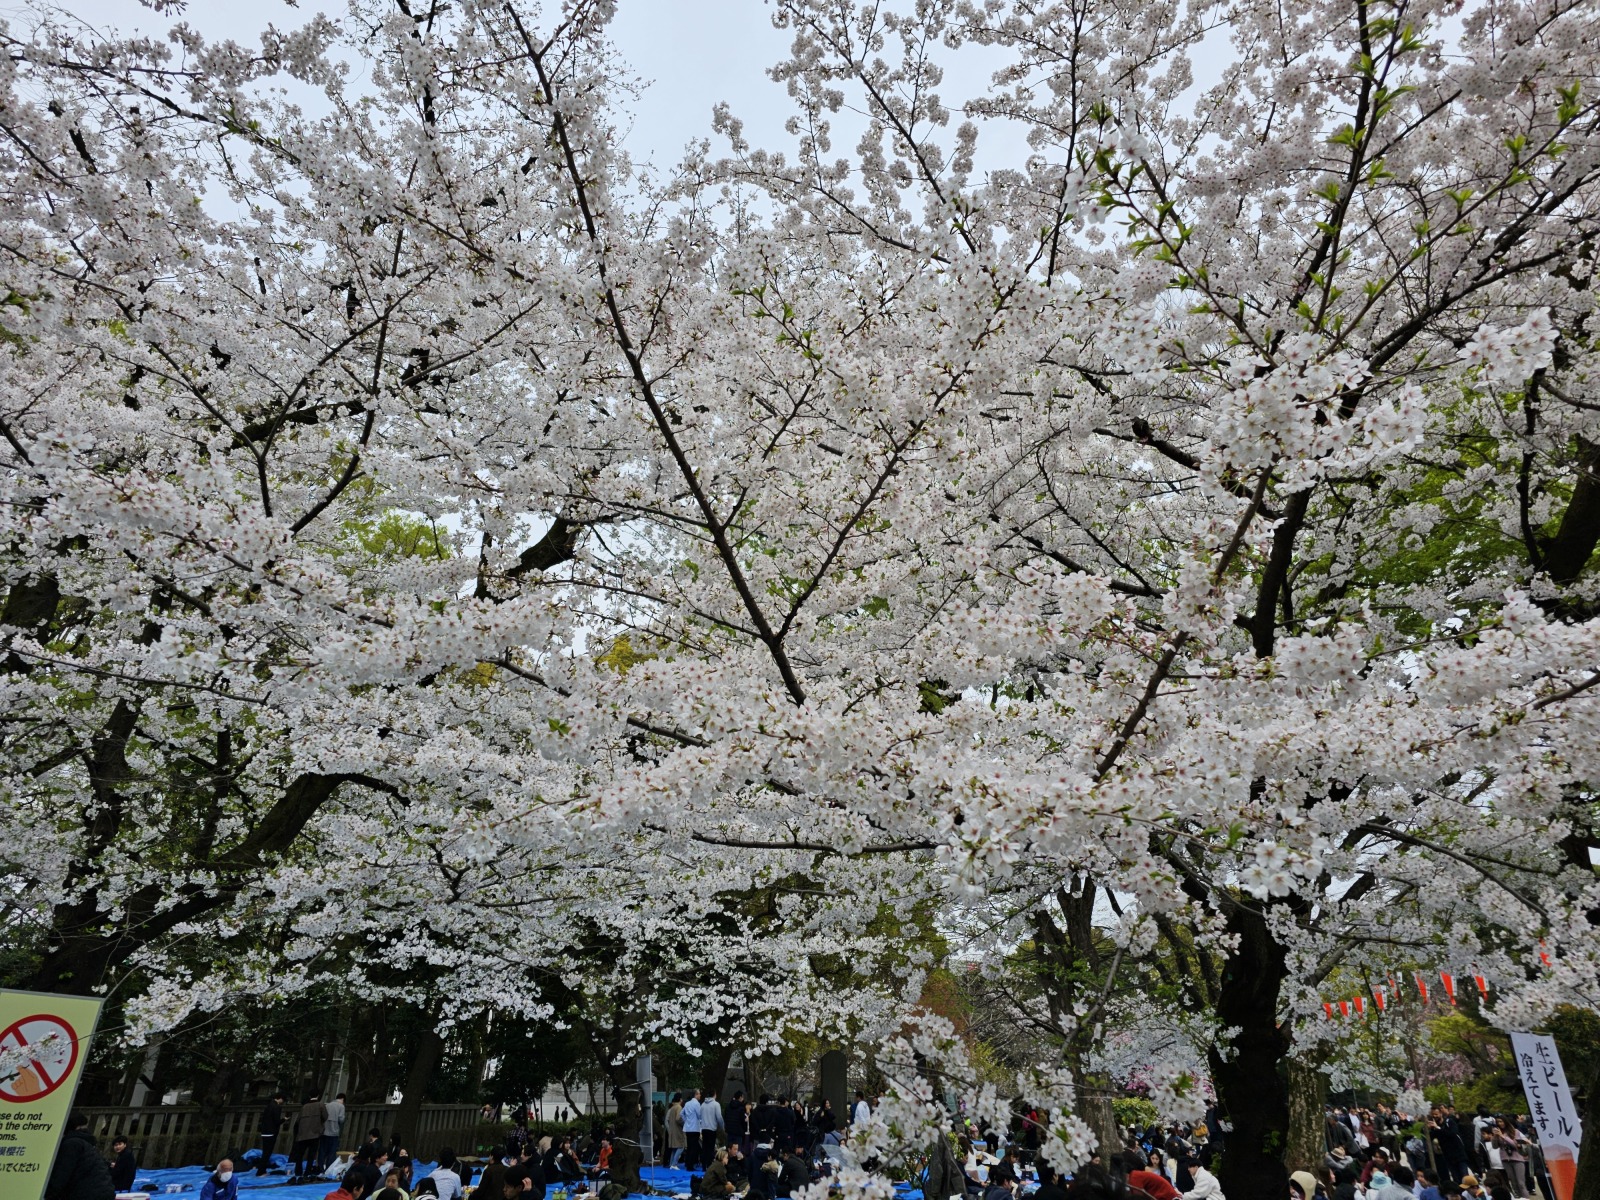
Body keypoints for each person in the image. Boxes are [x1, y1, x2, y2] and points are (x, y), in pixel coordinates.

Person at [45, 1111, 115, 1200]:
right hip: (102, 1191)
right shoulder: (86, 1143)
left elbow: (61, 1176)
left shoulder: (72, 1144)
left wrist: (46, 1193)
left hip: (86, 1194)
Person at [294, 1093, 330, 1181]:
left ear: (309, 1096)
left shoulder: (304, 1106)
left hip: (303, 1133)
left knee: (300, 1154)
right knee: (311, 1154)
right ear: (318, 1096)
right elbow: (325, 1116)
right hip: (314, 1133)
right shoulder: (320, 1105)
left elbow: (298, 1120)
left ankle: (298, 1171)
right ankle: (307, 1172)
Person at [258, 1092, 287, 1176]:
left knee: (265, 1153)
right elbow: (277, 1121)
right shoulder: (277, 1107)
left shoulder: (269, 1105)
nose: (283, 1101)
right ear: (280, 1098)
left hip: (264, 1131)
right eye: (283, 1100)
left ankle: (261, 1170)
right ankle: (261, 1171)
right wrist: (284, 1119)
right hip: (271, 1132)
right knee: (267, 1153)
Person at [322, 1092, 349, 1172]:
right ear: (343, 1099)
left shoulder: (327, 1105)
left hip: (324, 1131)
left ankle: (320, 1168)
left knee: (322, 1152)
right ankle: (329, 1169)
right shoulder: (341, 1106)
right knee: (332, 1152)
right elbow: (341, 1119)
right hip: (334, 1132)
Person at [683, 1090, 705, 1171]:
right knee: (694, 1147)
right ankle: (690, 1165)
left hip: (688, 1128)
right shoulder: (696, 1104)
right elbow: (699, 1115)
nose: (700, 1095)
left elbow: (682, 1113)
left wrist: (686, 1120)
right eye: (699, 1094)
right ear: (696, 1094)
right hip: (695, 1128)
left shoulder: (687, 1103)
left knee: (689, 1147)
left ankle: (687, 1163)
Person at [703, 1089, 725, 1166]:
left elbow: (700, 1115)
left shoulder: (703, 1104)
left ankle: (704, 1164)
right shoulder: (716, 1104)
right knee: (711, 1147)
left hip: (704, 1128)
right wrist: (722, 1126)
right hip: (712, 1128)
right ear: (714, 1095)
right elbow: (719, 1117)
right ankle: (709, 1164)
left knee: (704, 1147)